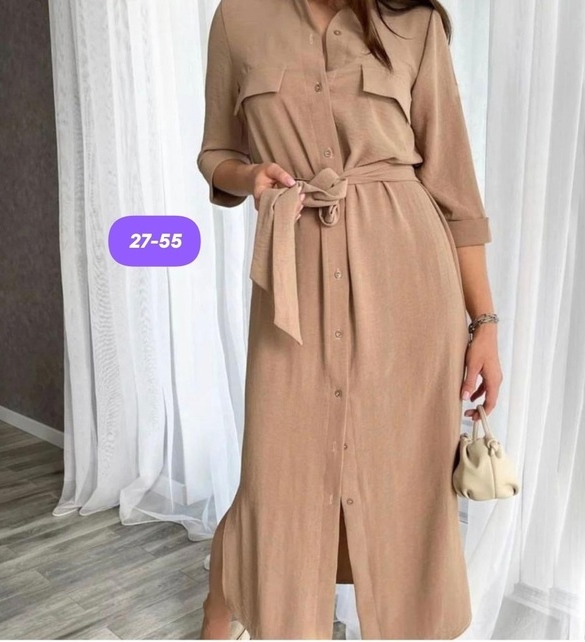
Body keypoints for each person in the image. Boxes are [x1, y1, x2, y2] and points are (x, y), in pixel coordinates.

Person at [197, 0, 503, 638]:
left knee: (402, 483)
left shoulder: (413, 23)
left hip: (407, 286)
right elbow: (216, 153)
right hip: (294, 287)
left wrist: (485, 323)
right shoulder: (238, 19)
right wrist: (251, 175)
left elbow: (454, 187)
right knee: (276, 478)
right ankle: (223, 613)